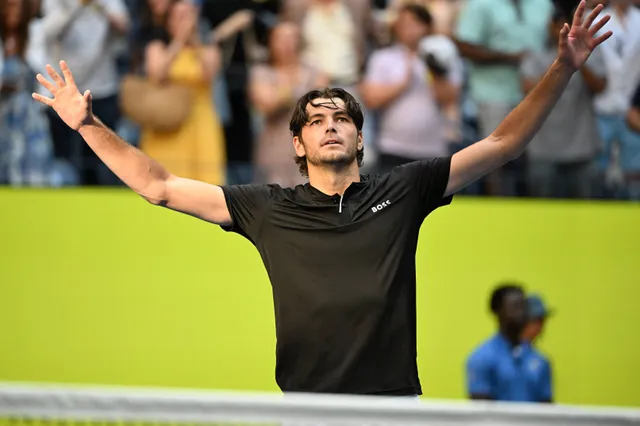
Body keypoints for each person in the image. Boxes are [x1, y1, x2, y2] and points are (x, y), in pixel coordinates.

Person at [32, 1, 611, 396]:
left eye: (342, 118)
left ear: (360, 137)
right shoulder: (267, 207)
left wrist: (562, 67)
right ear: (298, 142)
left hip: (393, 409)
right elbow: (157, 185)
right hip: (307, 412)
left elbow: (504, 142)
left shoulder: (404, 190)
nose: (330, 125)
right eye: (316, 120)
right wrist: (87, 125)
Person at [465, 284, 553, 403]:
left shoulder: (540, 360)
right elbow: (482, 414)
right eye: (515, 307)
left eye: (523, 306)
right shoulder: (481, 358)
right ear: (497, 311)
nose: (521, 313)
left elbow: (547, 408)